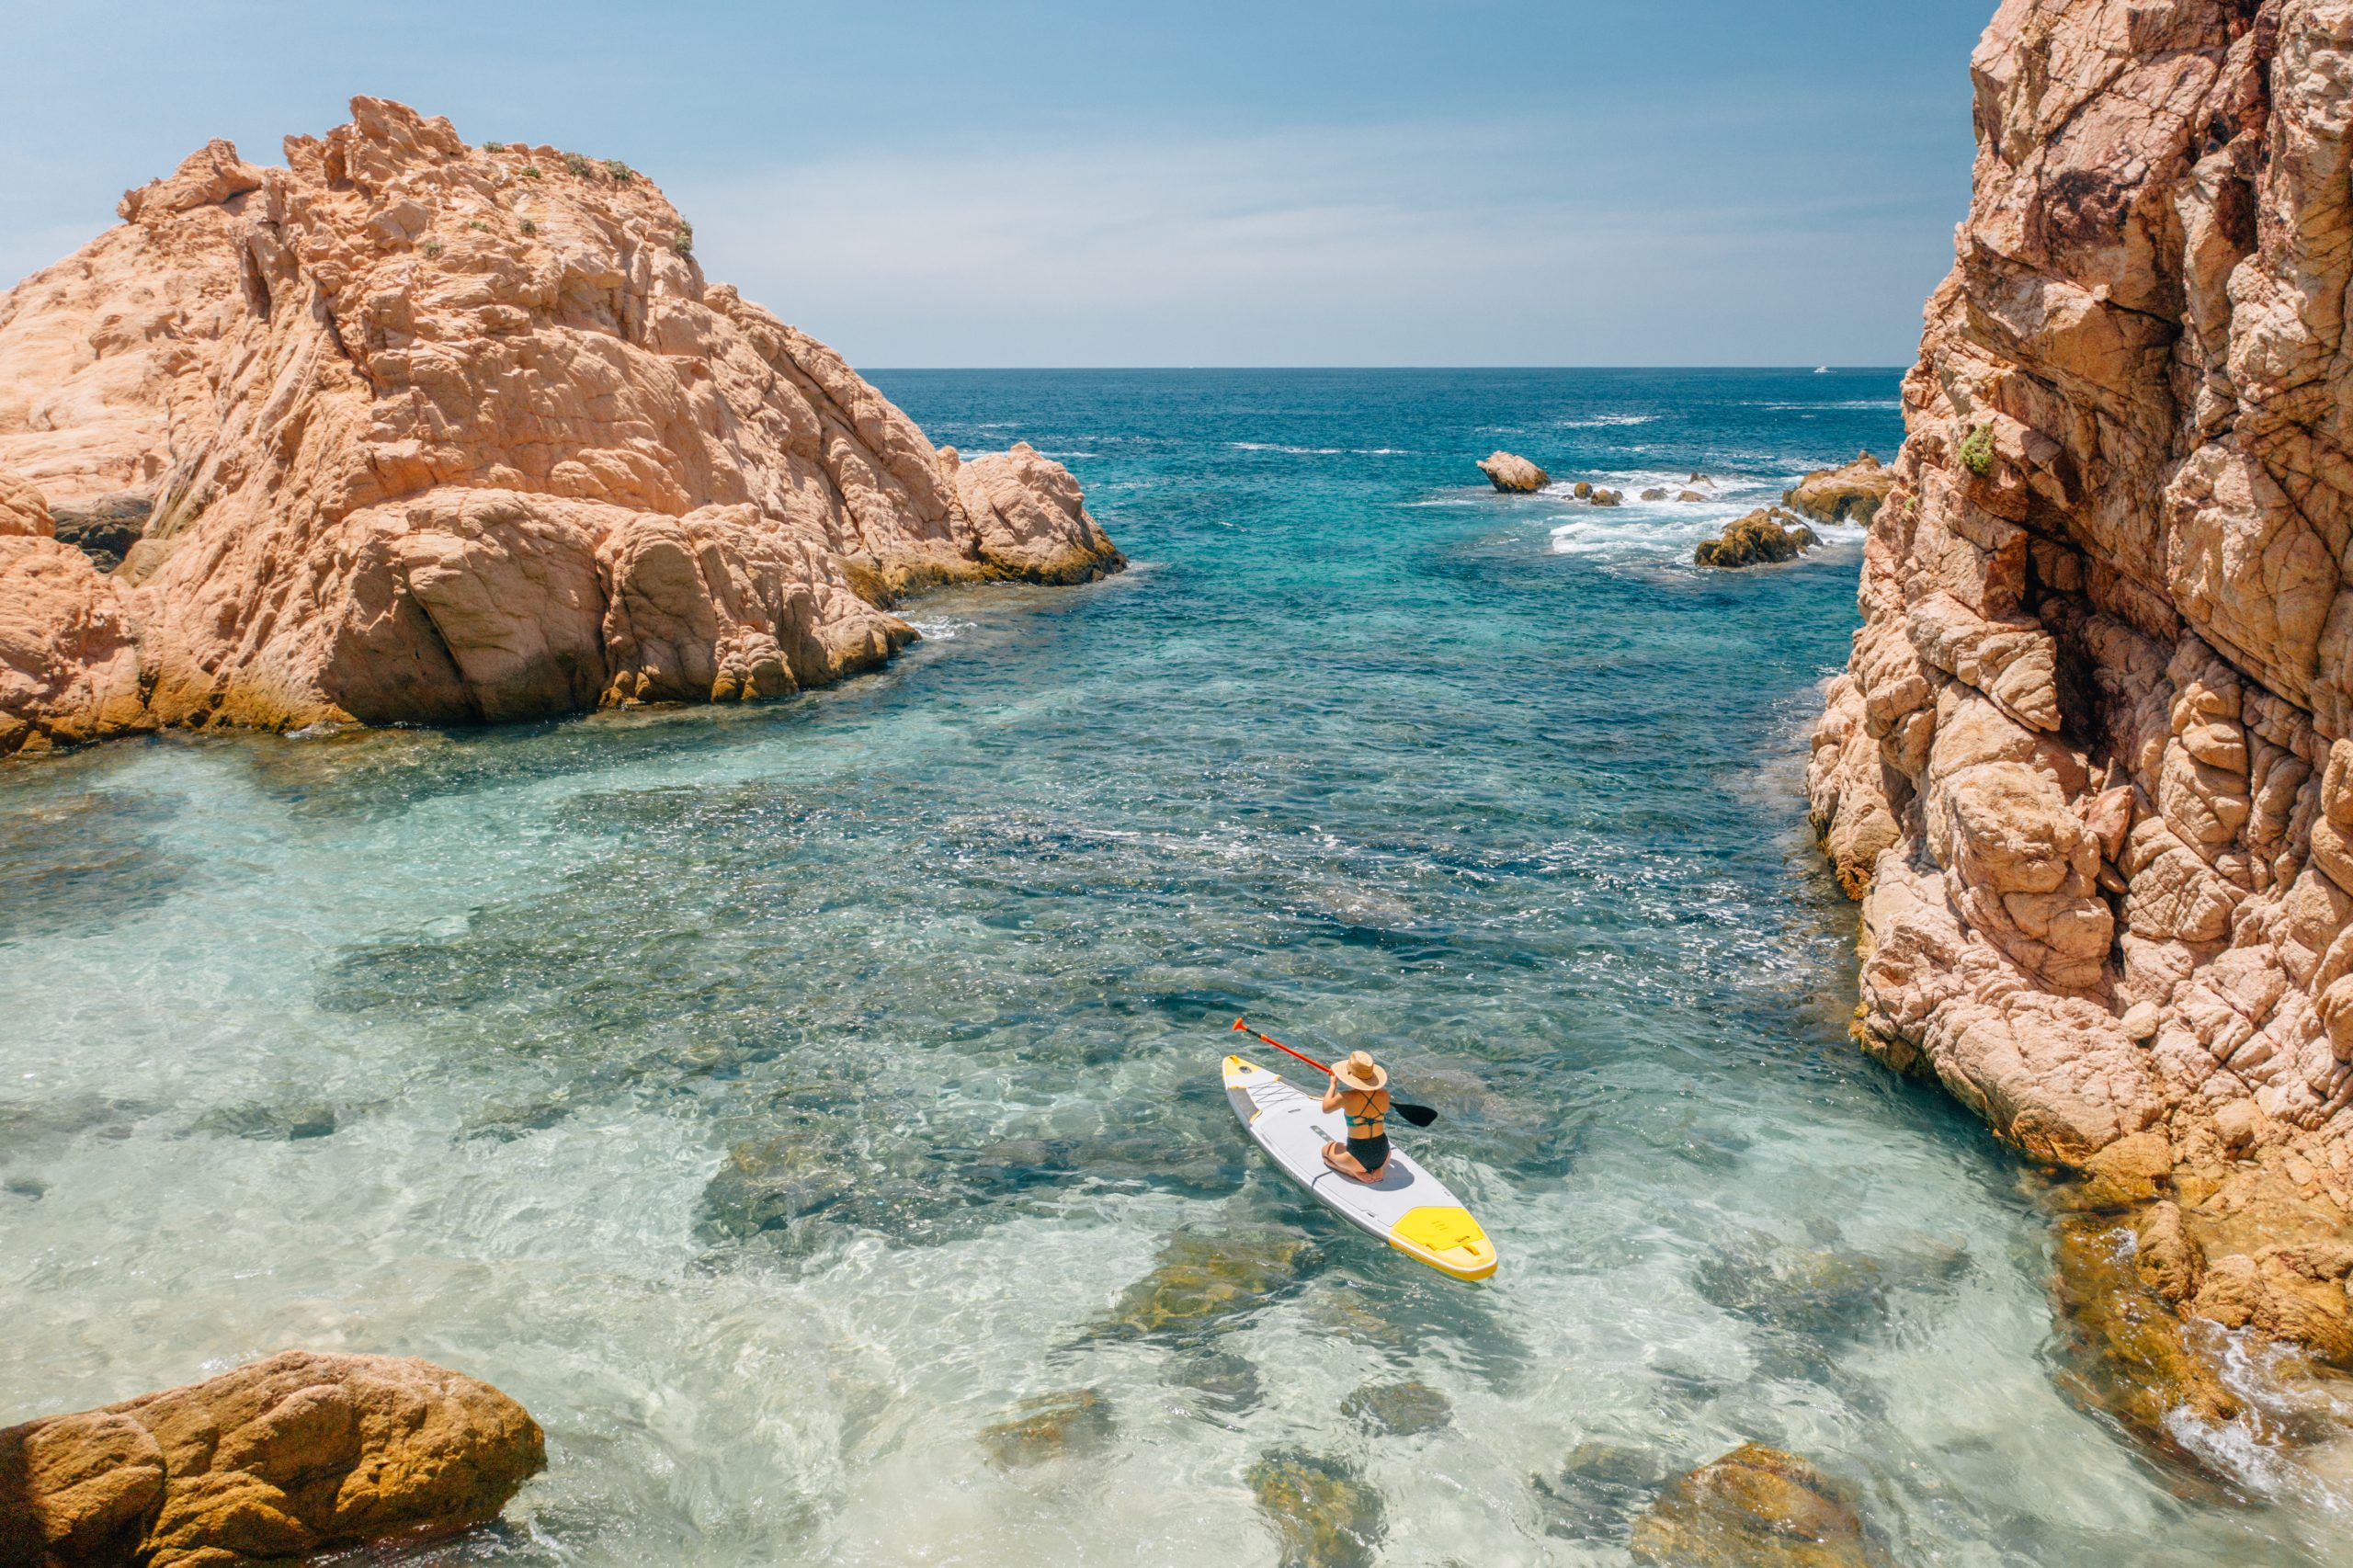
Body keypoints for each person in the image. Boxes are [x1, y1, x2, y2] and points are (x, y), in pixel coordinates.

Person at [1321, 1051, 1392, 1183]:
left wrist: (1333, 1084)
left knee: (1326, 1152)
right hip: (1384, 1154)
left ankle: (1354, 1172)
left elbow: (1326, 1108)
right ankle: (1378, 1169)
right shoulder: (1384, 1094)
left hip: (1357, 1157)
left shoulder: (1346, 1097)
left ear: (1349, 1075)